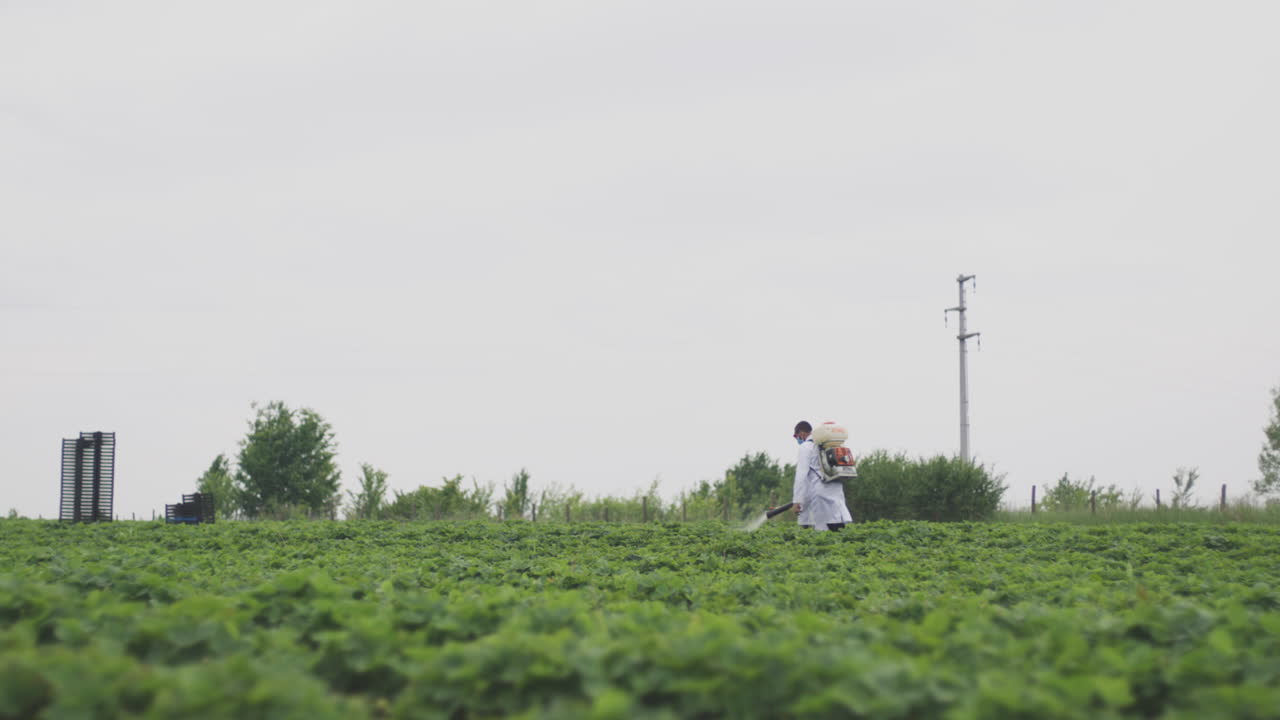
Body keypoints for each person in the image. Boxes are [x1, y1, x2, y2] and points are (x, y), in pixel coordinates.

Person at [790, 420, 853, 531]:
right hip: (836, 490)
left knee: (823, 532)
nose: (798, 439)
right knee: (838, 528)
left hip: (820, 494)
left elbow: (801, 476)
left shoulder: (806, 447)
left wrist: (797, 500)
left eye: (797, 436)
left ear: (801, 433)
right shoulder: (825, 445)